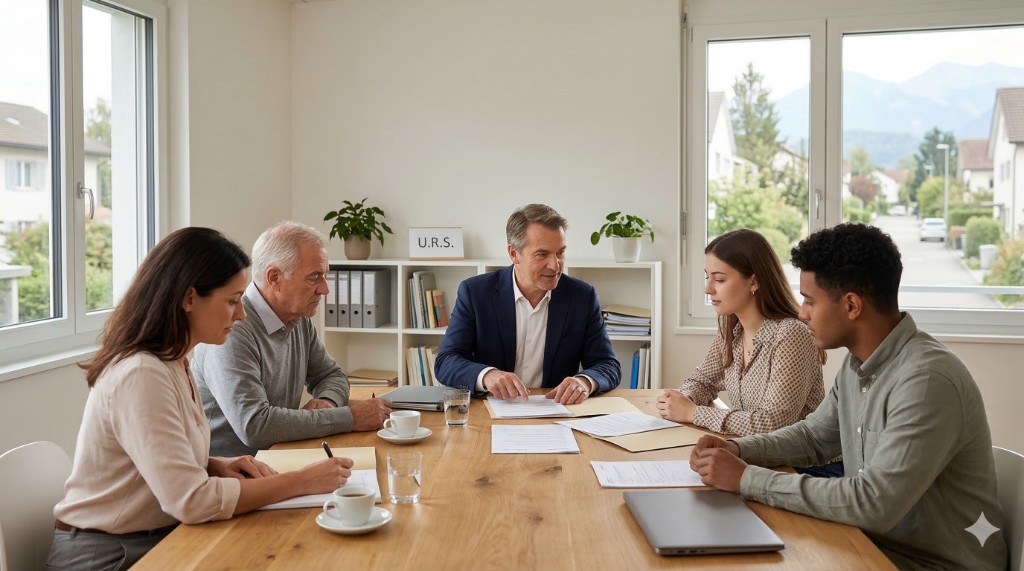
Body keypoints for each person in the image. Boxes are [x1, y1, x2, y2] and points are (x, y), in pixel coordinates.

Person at [689, 223, 1007, 570]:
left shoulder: (926, 380)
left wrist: (746, 478)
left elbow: (873, 503)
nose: (801, 312)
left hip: (929, 563)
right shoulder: (859, 365)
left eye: (810, 300)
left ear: (852, 305)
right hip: (867, 543)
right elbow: (814, 437)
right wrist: (739, 450)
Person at [47, 227, 353, 570]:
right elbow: (191, 500)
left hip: (151, 537)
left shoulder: (173, 361)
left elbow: (154, 459)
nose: (240, 315)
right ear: (189, 299)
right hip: (111, 556)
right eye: (232, 301)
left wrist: (211, 463)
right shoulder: (141, 374)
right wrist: (301, 481)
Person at [193, 221, 391, 457]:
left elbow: (331, 375)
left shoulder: (297, 318)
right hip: (235, 476)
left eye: (324, 276)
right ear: (275, 278)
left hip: (279, 457)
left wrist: (327, 402)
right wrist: (349, 418)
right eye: (314, 277)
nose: (325, 289)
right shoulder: (232, 330)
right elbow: (255, 426)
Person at [434, 203, 620, 404]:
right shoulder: (476, 292)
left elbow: (607, 364)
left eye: (560, 252)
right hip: (490, 411)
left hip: (555, 412)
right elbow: (447, 361)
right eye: (542, 254)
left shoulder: (582, 296)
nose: (555, 265)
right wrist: (487, 376)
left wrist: (584, 381)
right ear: (514, 254)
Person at [656, 229, 827, 435]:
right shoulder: (732, 330)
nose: (707, 289)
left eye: (719, 279)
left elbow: (774, 424)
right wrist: (681, 399)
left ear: (753, 282)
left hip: (810, 465)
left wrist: (693, 413)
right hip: (761, 455)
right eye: (707, 277)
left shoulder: (791, 334)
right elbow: (703, 381)